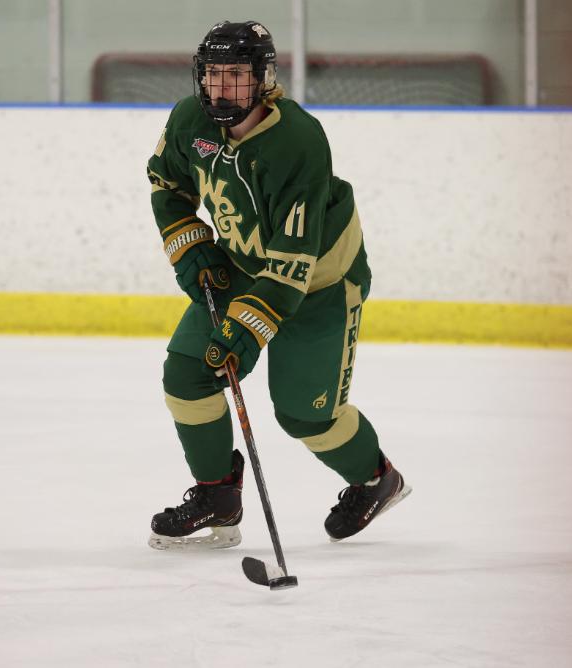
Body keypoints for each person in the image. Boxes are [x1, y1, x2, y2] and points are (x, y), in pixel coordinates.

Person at [146, 20, 410, 550]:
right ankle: (218, 496)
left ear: (263, 80)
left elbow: (293, 265)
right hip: (243, 267)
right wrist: (193, 245)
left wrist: (243, 334)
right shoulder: (188, 119)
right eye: (213, 75)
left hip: (320, 284)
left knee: (305, 416)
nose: (222, 89)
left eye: (237, 77)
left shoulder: (297, 141)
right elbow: (167, 185)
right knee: (187, 375)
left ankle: (377, 479)